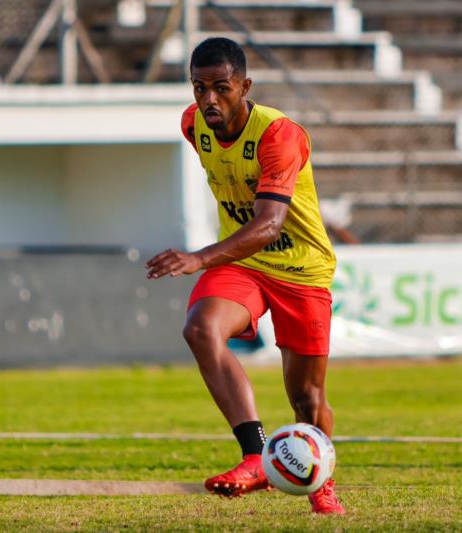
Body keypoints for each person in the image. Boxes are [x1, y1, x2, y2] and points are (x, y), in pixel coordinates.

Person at [146, 37, 344, 514]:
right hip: (244, 264)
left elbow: (269, 224)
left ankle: (321, 483)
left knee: (307, 397)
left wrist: (199, 257)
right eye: (198, 87)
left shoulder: (279, 134)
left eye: (221, 88)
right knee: (200, 328)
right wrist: (214, 259)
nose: (208, 100)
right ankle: (256, 455)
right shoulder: (193, 125)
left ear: (245, 86)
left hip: (301, 266)